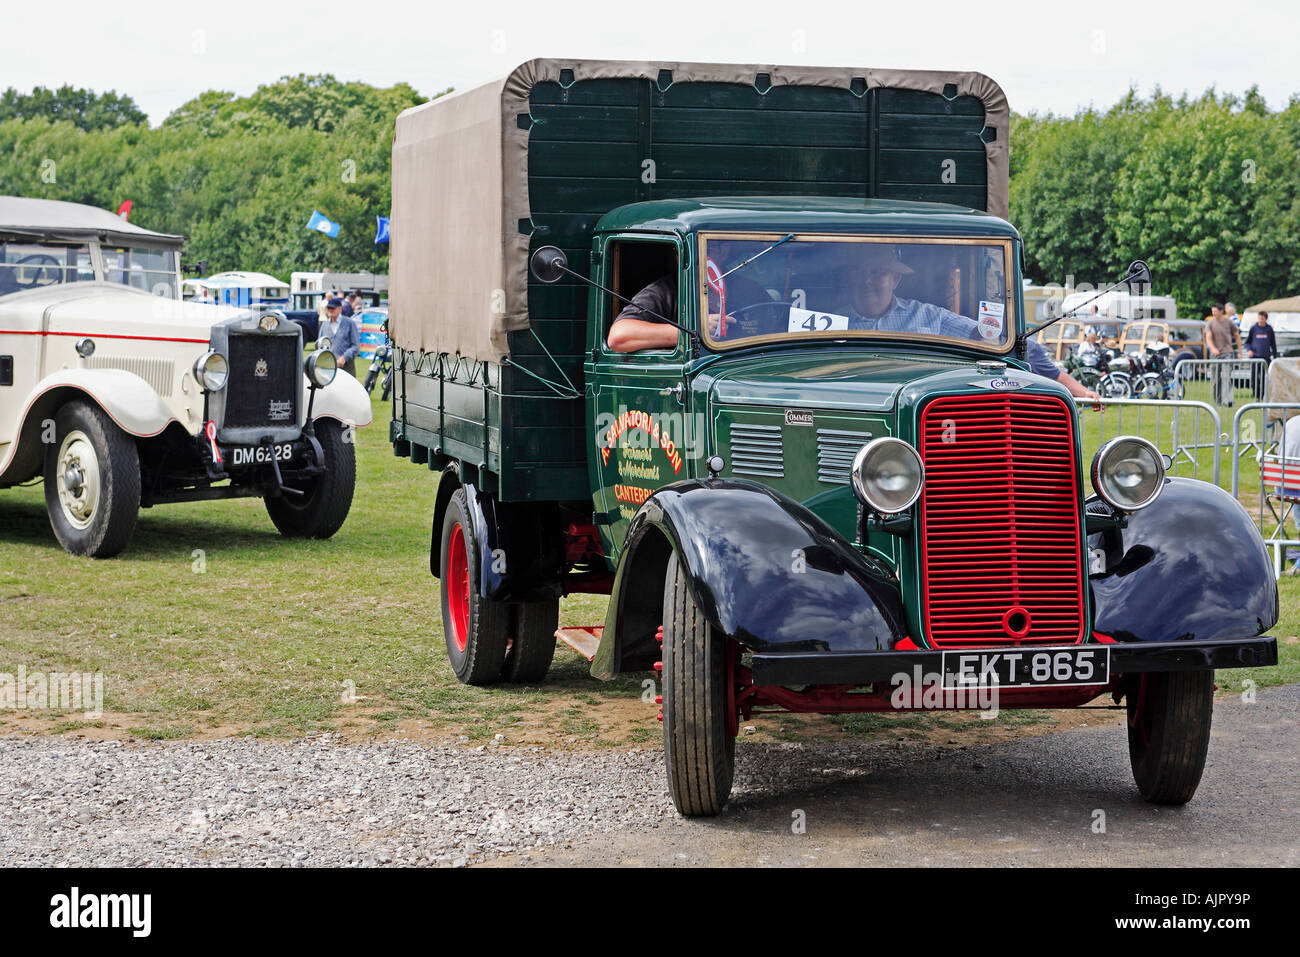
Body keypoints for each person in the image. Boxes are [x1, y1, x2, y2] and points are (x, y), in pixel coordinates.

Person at [607, 244, 1100, 402]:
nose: (872, 282)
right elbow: (621, 336)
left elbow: (993, 339)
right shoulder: (813, 319)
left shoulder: (925, 317)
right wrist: (698, 331)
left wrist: (1068, 385)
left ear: (895, 277)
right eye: (862, 274)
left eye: (881, 273)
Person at [1203, 302, 1241, 405]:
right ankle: (1217, 401)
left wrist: (1239, 351)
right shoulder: (1210, 323)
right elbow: (1208, 338)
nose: (1213, 313)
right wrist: (1213, 348)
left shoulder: (1229, 322)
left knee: (1226, 377)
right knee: (1216, 379)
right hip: (1215, 355)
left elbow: (1237, 336)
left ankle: (1227, 400)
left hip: (1227, 353)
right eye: (1212, 311)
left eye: (1215, 311)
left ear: (1221, 311)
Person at [317, 296, 360, 377]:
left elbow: (356, 346)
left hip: (346, 369)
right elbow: (320, 344)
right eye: (328, 308)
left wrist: (344, 358)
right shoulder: (324, 324)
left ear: (340, 309)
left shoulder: (349, 323)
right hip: (328, 369)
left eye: (333, 308)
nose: (330, 310)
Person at [1244, 310, 1278, 400]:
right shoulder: (1253, 328)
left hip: (1266, 358)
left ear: (1265, 319)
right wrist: (1249, 350)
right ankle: (1256, 395)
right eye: (1259, 318)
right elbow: (1247, 342)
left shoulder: (1269, 329)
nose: (1260, 320)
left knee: (1264, 377)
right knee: (1254, 378)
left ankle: (1264, 395)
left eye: (1262, 318)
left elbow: (1273, 344)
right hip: (1255, 357)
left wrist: (1275, 357)